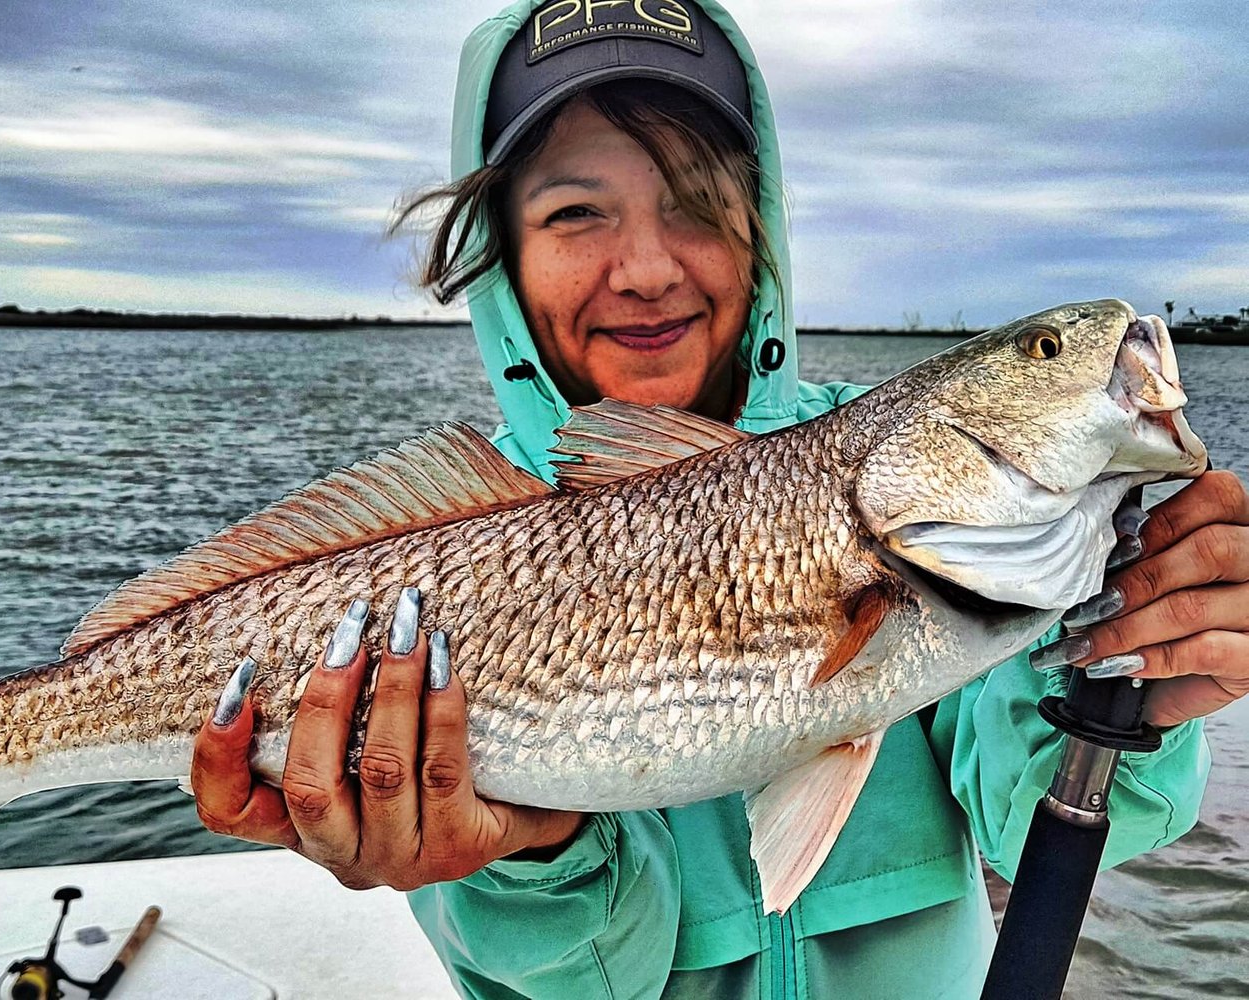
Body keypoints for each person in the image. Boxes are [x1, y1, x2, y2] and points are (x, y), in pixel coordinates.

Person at [190, 2, 1248, 996]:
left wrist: (1127, 692)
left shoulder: (972, 534)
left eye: (696, 204)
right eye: (573, 212)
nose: (646, 268)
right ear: (502, 256)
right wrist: (524, 855)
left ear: (763, 228)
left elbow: (1039, 825)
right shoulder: (446, 542)